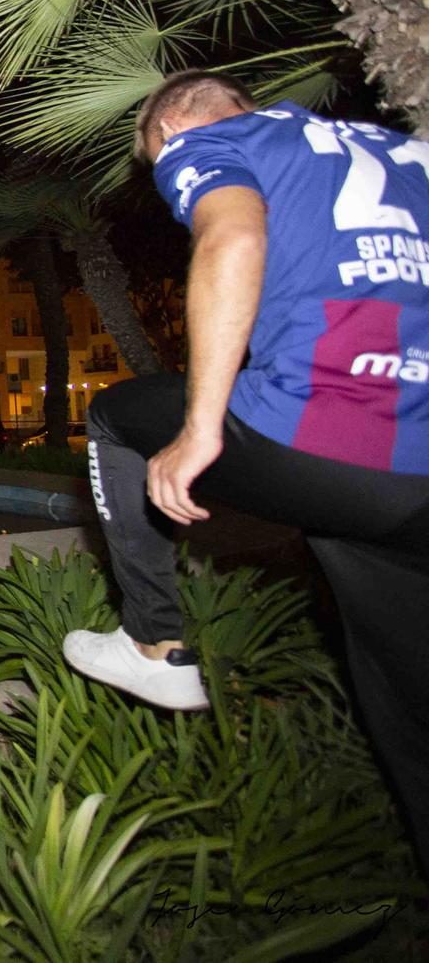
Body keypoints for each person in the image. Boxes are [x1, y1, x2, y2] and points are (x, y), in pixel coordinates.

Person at [64, 71, 429, 866]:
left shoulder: (207, 138)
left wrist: (201, 425)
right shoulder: (410, 153)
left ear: (172, 128)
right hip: (411, 483)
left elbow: (232, 237)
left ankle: (156, 643)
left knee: (116, 417)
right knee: (408, 714)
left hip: (327, 429)